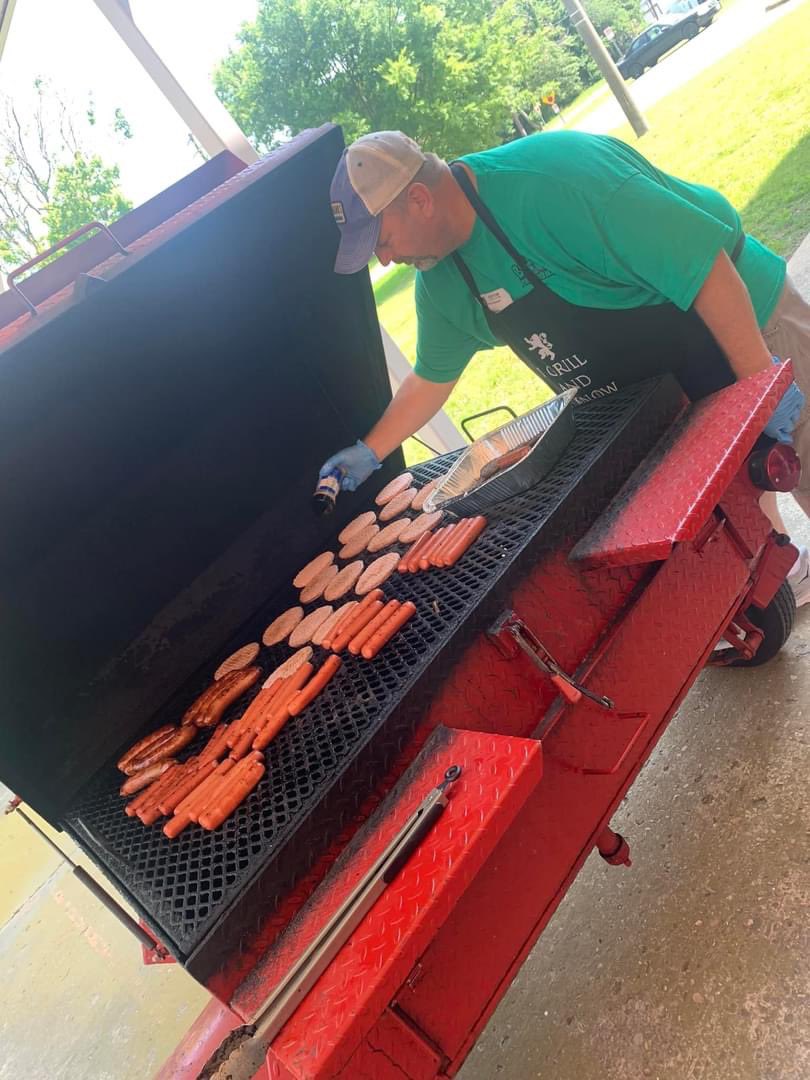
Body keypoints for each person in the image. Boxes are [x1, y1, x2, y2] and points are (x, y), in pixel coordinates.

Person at [320, 130, 810, 605]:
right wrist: (369, 450)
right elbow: (430, 377)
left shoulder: (554, 180)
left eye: (381, 240)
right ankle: (789, 576)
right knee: (749, 511)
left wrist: (758, 381)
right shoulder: (441, 280)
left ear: (420, 199)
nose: (384, 261)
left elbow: (705, 270)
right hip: (668, 382)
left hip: (748, 321)